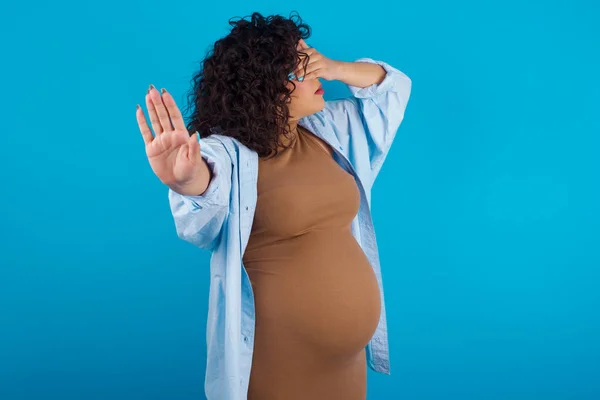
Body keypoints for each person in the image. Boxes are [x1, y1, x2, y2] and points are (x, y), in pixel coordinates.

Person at [135, 11, 412, 400]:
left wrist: (334, 67)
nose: (315, 76)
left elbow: (393, 90)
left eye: (310, 63)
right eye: (299, 70)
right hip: (281, 362)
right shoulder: (228, 154)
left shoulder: (324, 131)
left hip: (345, 368)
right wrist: (185, 181)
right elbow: (203, 197)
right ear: (266, 87)